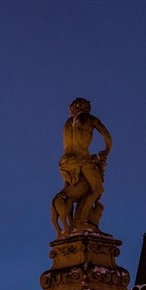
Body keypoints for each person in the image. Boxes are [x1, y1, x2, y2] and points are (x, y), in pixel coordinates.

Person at [58, 97, 112, 233]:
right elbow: (106, 135)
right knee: (97, 189)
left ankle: (72, 224)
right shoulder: (90, 119)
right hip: (82, 159)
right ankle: (81, 220)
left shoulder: (67, 123)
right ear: (85, 107)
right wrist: (107, 149)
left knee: (76, 191)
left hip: (65, 162)